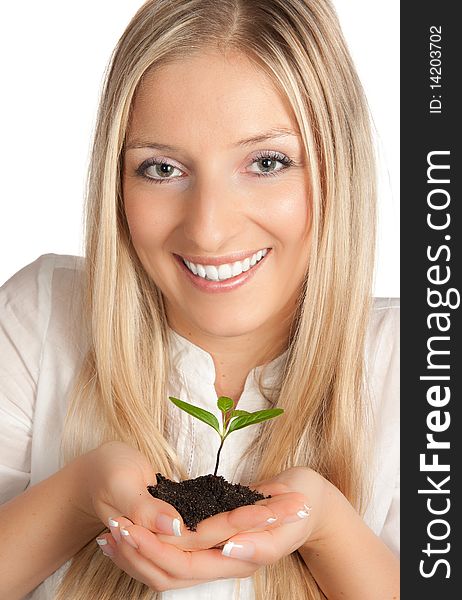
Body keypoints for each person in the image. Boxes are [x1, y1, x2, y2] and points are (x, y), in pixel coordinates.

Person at [0, 0, 399, 598]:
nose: (208, 230)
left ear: (336, 167)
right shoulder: (40, 318)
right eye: (161, 169)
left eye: (267, 162)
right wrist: (77, 496)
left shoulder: (418, 365)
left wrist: (328, 531)